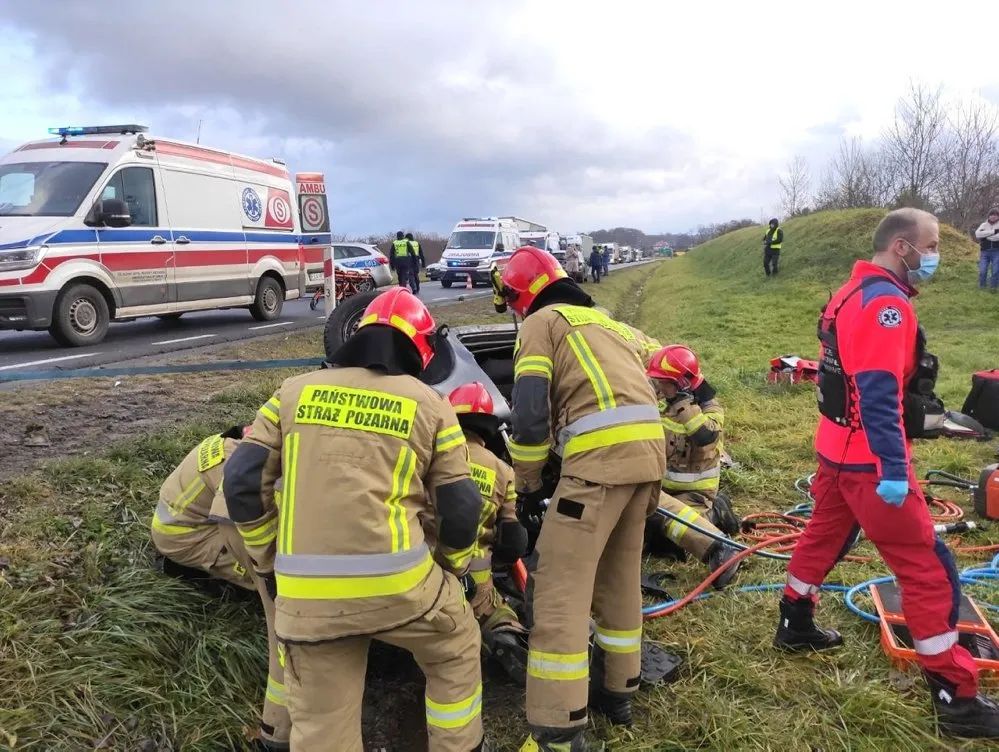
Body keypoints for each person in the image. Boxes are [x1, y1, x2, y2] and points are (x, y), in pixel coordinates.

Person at [224, 287, 487, 751]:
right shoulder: (430, 404)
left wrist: (268, 560)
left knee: (322, 721)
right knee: (455, 647)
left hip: (308, 599)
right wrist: (455, 567)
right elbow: (461, 505)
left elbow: (243, 480)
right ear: (422, 348)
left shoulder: (292, 392)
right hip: (402, 590)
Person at [774, 208, 999, 738]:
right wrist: (895, 469)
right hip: (871, 461)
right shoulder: (886, 305)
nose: (937, 253)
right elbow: (876, 391)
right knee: (928, 568)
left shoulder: (849, 291)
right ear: (903, 247)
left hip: (835, 449)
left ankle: (795, 620)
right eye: (934, 243)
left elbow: (838, 374)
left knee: (824, 535)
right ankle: (955, 695)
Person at [495, 246, 666, 751]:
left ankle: (559, 726)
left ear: (522, 294)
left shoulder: (541, 324)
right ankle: (619, 693)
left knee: (557, 595)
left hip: (598, 467)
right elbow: (658, 362)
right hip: (648, 462)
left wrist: (527, 484)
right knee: (619, 579)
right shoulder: (608, 323)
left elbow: (527, 415)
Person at [447, 382, 530, 683]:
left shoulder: (427, 453)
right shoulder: (502, 470)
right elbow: (514, 540)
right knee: (494, 610)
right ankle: (505, 635)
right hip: (474, 576)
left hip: (420, 570)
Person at [644, 345, 741, 588]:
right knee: (650, 538)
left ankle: (715, 513)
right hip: (664, 490)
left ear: (683, 384)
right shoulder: (663, 406)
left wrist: (683, 405)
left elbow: (704, 436)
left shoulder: (710, 411)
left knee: (671, 530)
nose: (659, 388)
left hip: (694, 495)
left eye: (664, 383)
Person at [151, 425, 254, 590]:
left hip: (190, 520)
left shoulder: (241, 438)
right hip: (186, 538)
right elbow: (244, 533)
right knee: (272, 571)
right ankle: (190, 570)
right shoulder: (239, 468)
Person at [974, 207, 999, 292]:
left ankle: (993, 287)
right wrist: (993, 232)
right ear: (989, 216)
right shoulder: (983, 225)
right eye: (992, 215)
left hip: (997, 251)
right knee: (982, 270)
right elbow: (977, 234)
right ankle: (982, 287)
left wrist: (985, 236)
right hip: (984, 252)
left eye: (995, 215)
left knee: (995, 270)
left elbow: (997, 237)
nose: (993, 217)